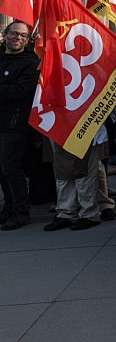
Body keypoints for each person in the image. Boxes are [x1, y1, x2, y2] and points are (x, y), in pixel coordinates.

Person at [0, 21, 40, 231]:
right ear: (5, 34)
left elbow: (20, 91)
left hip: (15, 125)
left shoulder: (30, 62)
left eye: (23, 36)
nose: (18, 38)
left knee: (11, 168)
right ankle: (8, 207)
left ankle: (20, 211)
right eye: (14, 33)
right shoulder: (2, 57)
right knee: (1, 170)